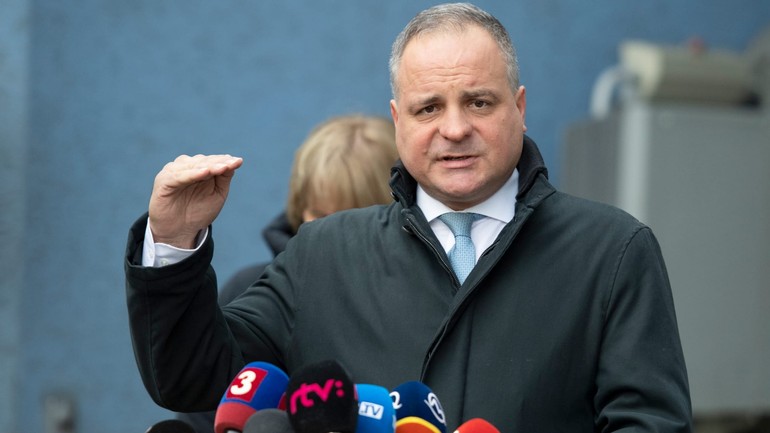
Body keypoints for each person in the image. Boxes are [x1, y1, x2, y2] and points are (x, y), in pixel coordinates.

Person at [125, 3, 692, 432]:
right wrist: (173, 241)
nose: (455, 129)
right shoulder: (321, 253)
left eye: (479, 102)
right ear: (398, 121)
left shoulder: (612, 252)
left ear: (519, 108)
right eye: (429, 108)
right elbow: (196, 379)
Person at [175, 114, 399, 433]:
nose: (332, 232)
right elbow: (203, 409)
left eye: (351, 218)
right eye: (320, 215)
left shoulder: (412, 298)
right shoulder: (249, 290)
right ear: (299, 206)